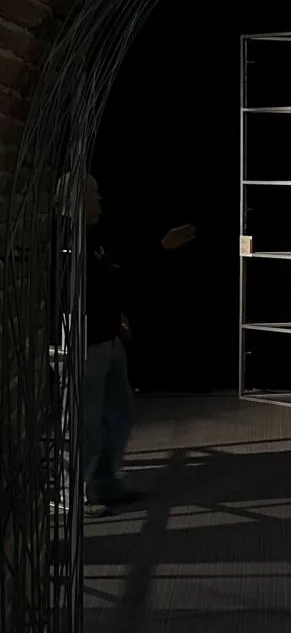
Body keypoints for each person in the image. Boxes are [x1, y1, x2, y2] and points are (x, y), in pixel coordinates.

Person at [74, 175, 196, 517]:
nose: (100, 199)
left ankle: (108, 483)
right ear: (75, 199)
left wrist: (118, 315)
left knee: (120, 414)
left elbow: (112, 276)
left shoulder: (96, 237)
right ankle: (78, 495)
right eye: (93, 194)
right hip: (86, 344)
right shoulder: (67, 242)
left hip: (109, 340)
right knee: (85, 423)